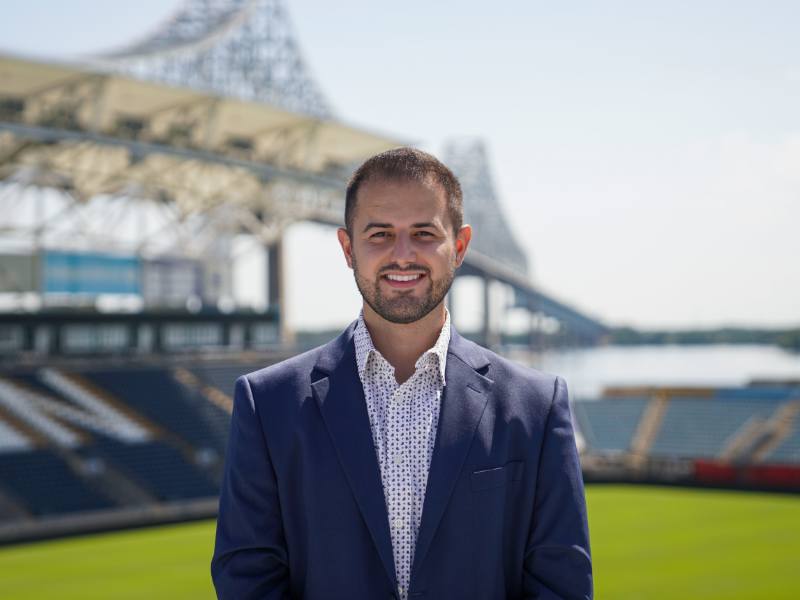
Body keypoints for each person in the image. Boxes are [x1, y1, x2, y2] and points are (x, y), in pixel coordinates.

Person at [211, 148, 592, 600]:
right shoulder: (267, 403)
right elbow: (248, 580)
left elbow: (560, 585)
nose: (403, 255)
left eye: (424, 233)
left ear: (461, 246)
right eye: (380, 234)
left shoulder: (537, 406)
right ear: (348, 249)